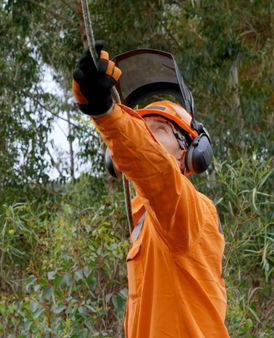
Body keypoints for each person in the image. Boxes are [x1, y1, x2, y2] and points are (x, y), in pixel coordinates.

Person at [72, 43, 229, 337]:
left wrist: (105, 112)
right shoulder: (143, 220)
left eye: (157, 129)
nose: (145, 135)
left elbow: (156, 169)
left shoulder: (193, 209)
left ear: (190, 152)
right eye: (140, 129)